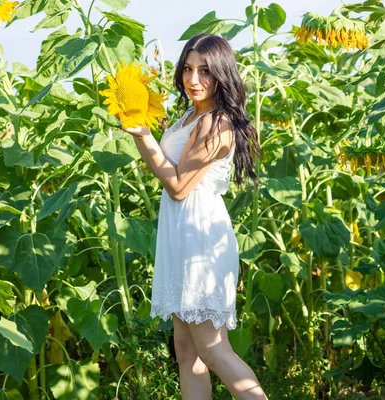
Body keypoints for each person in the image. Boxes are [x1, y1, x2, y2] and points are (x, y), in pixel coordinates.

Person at [124, 33, 267, 400]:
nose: (193, 80)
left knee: (213, 349)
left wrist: (143, 136)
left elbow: (179, 186)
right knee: (187, 352)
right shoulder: (192, 114)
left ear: (222, 74)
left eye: (205, 71)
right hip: (179, 234)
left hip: (200, 237)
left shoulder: (215, 124)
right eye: (188, 69)